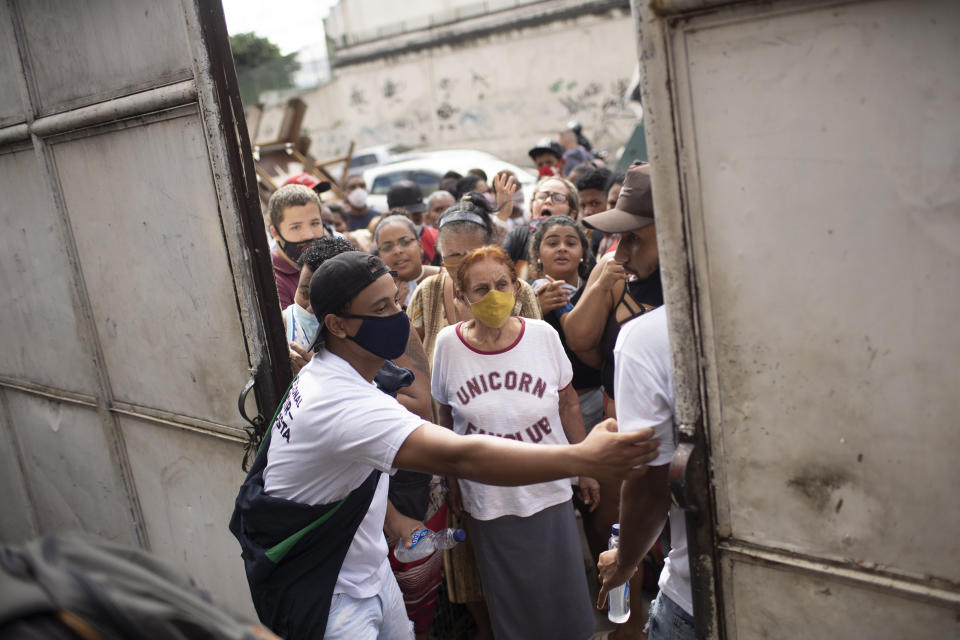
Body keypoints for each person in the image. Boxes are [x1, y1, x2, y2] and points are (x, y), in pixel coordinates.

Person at [229, 251, 660, 640]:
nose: (399, 316)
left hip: (366, 570)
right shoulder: (343, 402)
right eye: (380, 309)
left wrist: (394, 522)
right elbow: (462, 453)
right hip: (326, 591)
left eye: (397, 301)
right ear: (337, 325)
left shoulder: (341, 374)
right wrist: (582, 456)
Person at [432, 246, 600, 640]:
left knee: (564, 593)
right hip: (488, 497)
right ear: (461, 296)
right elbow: (443, 417)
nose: (494, 295)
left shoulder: (542, 336)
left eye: (502, 284)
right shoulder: (448, 345)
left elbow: (568, 402)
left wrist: (586, 468)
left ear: (516, 287)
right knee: (511, 600)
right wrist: (451, 481)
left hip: (549, 486)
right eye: (480, 289)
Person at [569, 163, 665, 638]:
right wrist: (601, 286)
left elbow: (653, 479)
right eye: (618, 237)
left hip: (652, 466)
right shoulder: (616, 272)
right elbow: (581, 343)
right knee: (628, 592)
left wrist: (626, 559)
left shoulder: (666, 327)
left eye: (635, 239)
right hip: (619, 445)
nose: (621, 250)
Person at [595, 307, 693, 639]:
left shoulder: (646, 337)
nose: (620, 255)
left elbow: (651, 486)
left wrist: (624, 562)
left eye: (634, 248)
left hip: (693, 597)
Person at [409, 194, 542, 367]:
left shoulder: (518, 291)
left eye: (473, 255)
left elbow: (536, 353)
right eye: (454, 255)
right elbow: (409, 354)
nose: (464, 264)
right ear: (442, 256)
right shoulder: (428, 290)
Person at [501, 175, 580, 280]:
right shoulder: (518, 237)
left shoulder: (580, 246)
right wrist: (501, 217)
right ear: (531, 207)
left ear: (572, 214)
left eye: (558, 198)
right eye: (542, 196)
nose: (547, 201)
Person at [267, 184, 332, 309]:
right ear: (275, 232)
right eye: (296, 227)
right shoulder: (272, 279)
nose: (308, 235)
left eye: (315, 223)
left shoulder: (330, 260)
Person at [374, 215, 440, 310]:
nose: (397, 251)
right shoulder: (375, 294)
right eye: (388, 247)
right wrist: (393, 307)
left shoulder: (445, 279)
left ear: (420, 246)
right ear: (379, 256)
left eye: (405, 242)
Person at [386, 180, 440, 264]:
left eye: (417, 218)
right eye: (406, 219)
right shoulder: (382, 242)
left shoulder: (435, 236)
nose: (412, 225)